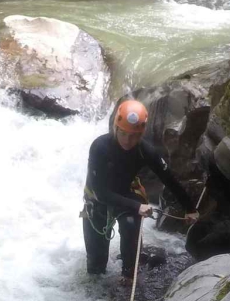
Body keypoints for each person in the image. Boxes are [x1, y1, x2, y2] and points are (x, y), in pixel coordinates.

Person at [84, 99, 197, 283]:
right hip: (96, 199)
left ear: (142, 133)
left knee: (131, 224)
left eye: (135, 135)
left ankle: (129, 275)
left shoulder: (144, 150)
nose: (128, 140)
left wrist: (189, 208)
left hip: (124, 192)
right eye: (124, 133)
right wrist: (137, 206)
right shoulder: (100, 147)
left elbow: (168, 178)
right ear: (116, 128)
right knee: (95, 268)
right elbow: (101, 193)